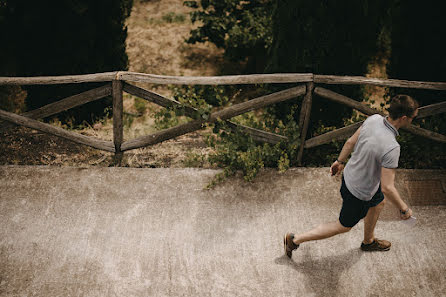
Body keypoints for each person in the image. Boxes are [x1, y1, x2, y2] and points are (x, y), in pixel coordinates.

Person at [284, 94, 419, 257]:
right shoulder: (391, 147)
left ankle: (368, 241)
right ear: (404, 118)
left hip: (349, 176)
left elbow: (350, 142)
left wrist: (339, 162)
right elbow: (388, 187)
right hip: (359, 192)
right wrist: (404, 209)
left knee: (378, 203)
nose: (412, 120)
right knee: (343, 226)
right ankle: (295, 239)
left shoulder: (374, 119)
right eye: (412, 117)